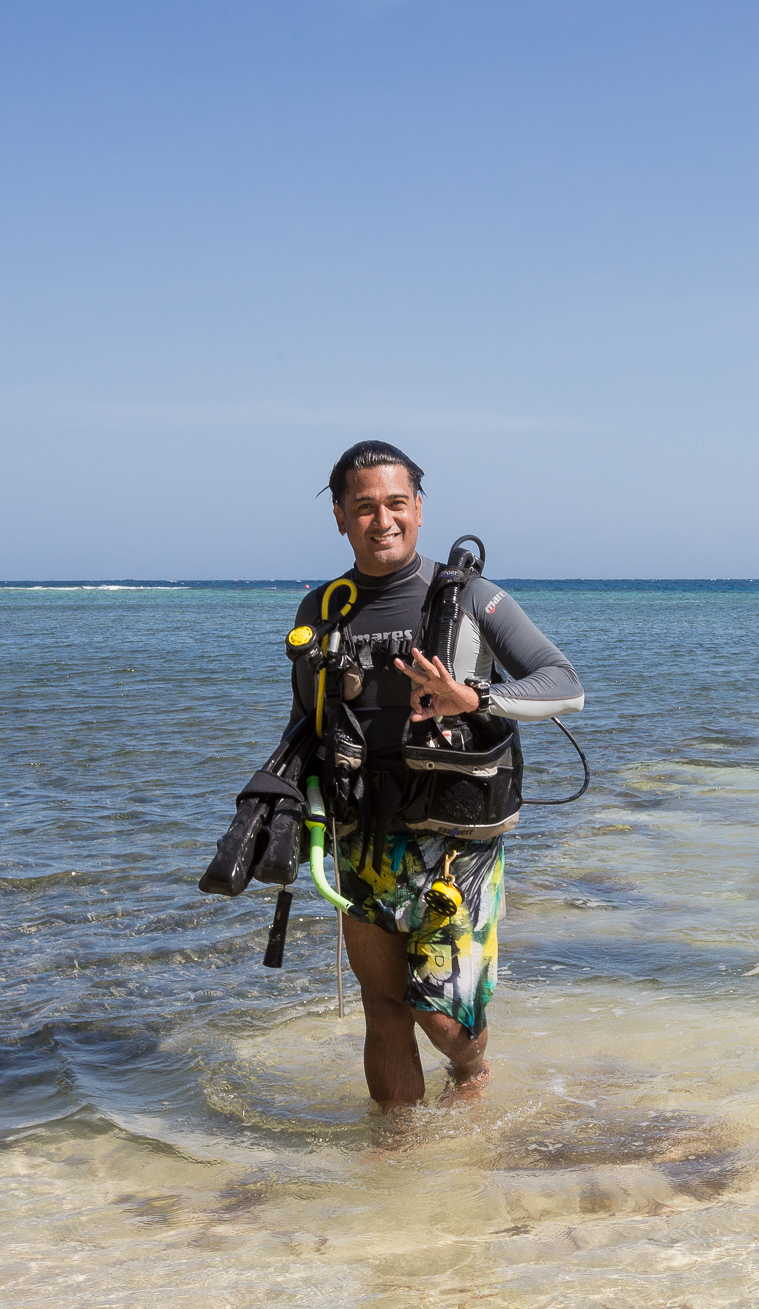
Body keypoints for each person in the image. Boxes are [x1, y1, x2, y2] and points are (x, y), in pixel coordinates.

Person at [290, 440, 584, 1108]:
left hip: (456, 842)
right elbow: (307, 720)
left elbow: (565, 685)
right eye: (363, 507)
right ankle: (395, 1151)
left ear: (419, 509)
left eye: (396, 503)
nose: (382, 519)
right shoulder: (320, 609)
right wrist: (286, 805)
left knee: (439, 1017)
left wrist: (474, 698)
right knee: (384, 1004)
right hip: (360, 837)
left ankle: (474, 1067)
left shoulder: (473, 597)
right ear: (339, 516)